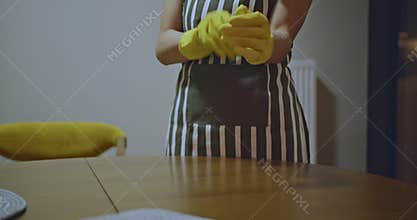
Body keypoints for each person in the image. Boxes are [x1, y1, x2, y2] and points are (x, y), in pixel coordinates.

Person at [156, 0, 312, 163]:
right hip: (191, 135)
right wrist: (195, 39)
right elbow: (162, 47)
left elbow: (283, 34)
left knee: (276, 188)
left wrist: (266, 44)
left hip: (270, 137)